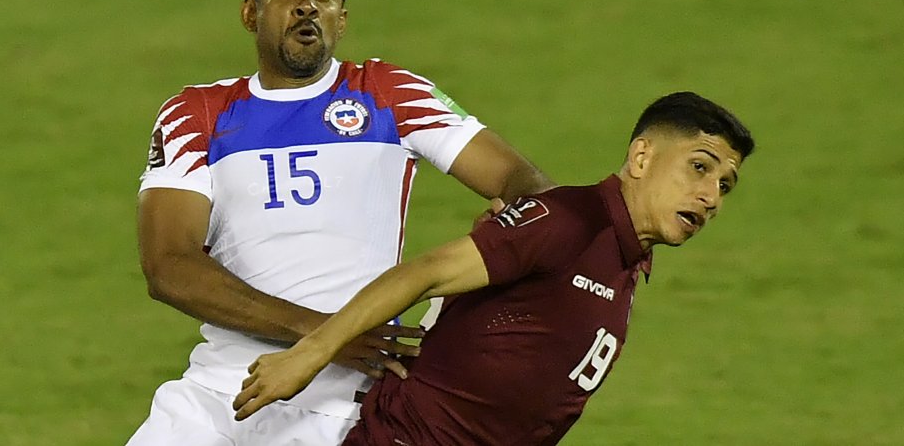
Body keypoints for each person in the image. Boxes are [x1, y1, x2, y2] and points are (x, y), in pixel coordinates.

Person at [127, 0, 553, 445]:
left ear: (342, 20)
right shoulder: (197, 112)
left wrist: (511, 218)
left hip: (337, 413)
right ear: (249, 13)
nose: (307, 4)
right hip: (211, 400)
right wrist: (326, 335)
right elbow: (168, 266)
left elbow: (525, 183)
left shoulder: (389, 93)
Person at [232, 91, 755, 445]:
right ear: (641, 158)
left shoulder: (624, 258)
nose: (710, 197)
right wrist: (311, 353)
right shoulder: (571, 220)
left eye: (724, 186)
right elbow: (425, 273)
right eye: (699, 166)